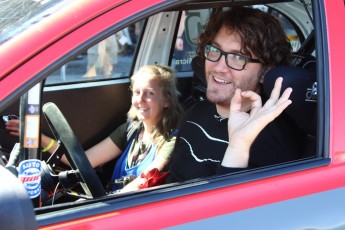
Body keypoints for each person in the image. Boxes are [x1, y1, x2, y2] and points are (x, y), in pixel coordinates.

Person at [165, 7, 303, 183]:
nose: (219, 67)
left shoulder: (272, 146)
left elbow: (233, 210)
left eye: (238, 58)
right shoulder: (194, 112)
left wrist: (238, 146)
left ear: (264, 72)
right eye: (214, 50)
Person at [6, 65, 184, 192]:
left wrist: (108, 202)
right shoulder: (130, 130)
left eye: (150, 93)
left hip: (131, 207)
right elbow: (84, 161)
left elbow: (147, 180)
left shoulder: (172, 140)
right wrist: (37, 137)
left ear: (167, 100)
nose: (140, 99)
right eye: (137, 93)